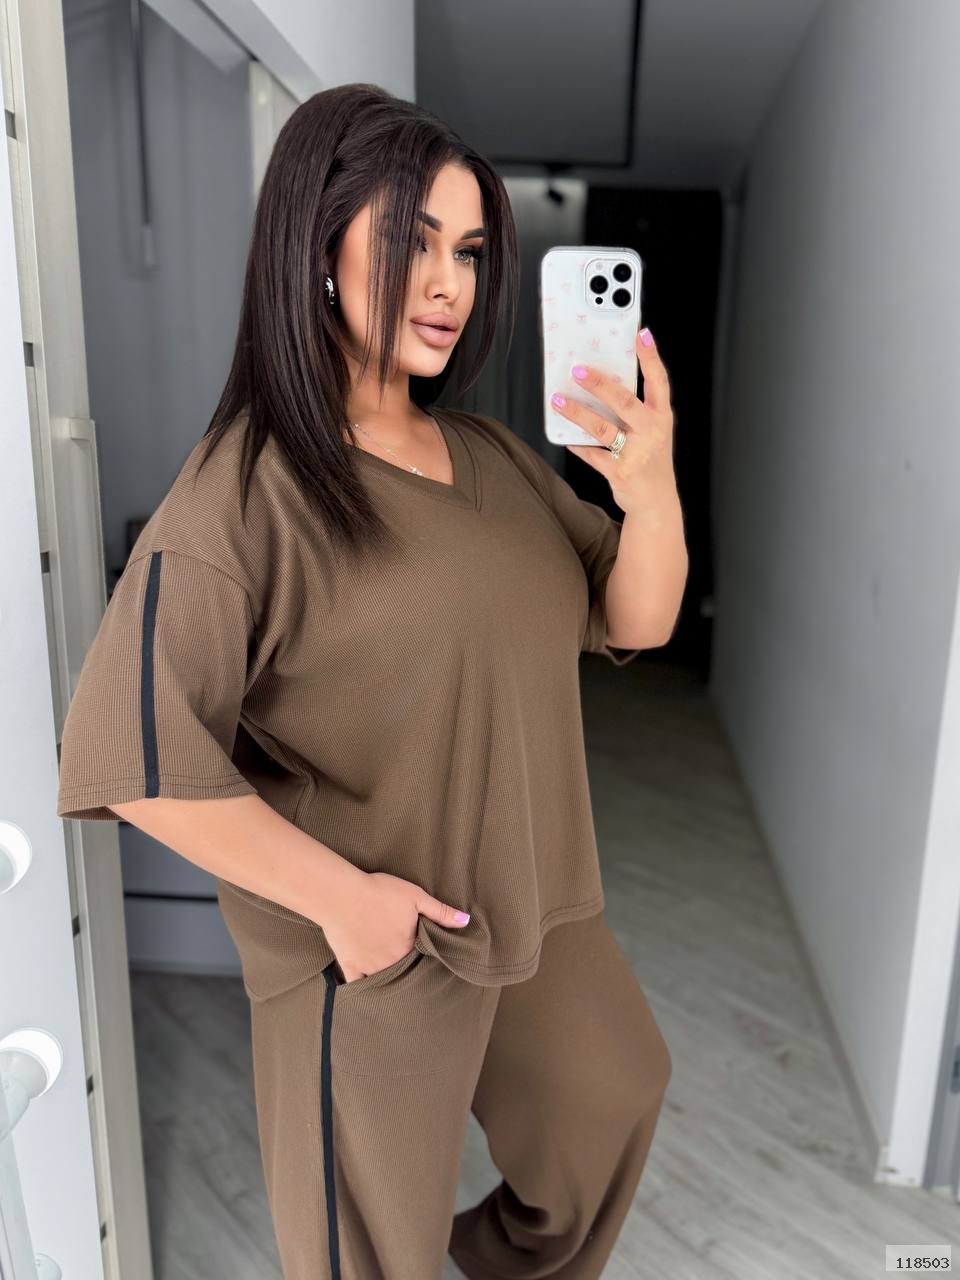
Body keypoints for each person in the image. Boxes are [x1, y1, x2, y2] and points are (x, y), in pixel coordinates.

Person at [56, 83, 686, 1280]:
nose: (449, 283)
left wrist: (647, 487)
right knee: (368, 1253)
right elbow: (126, 752)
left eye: (470, 251)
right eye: (413, 241)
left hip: (537, 900)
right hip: (379, 944)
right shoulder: (247, 487)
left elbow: (632, 616)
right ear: (318, 246)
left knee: (610, 1098)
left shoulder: (493, 456)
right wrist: (348, 905)